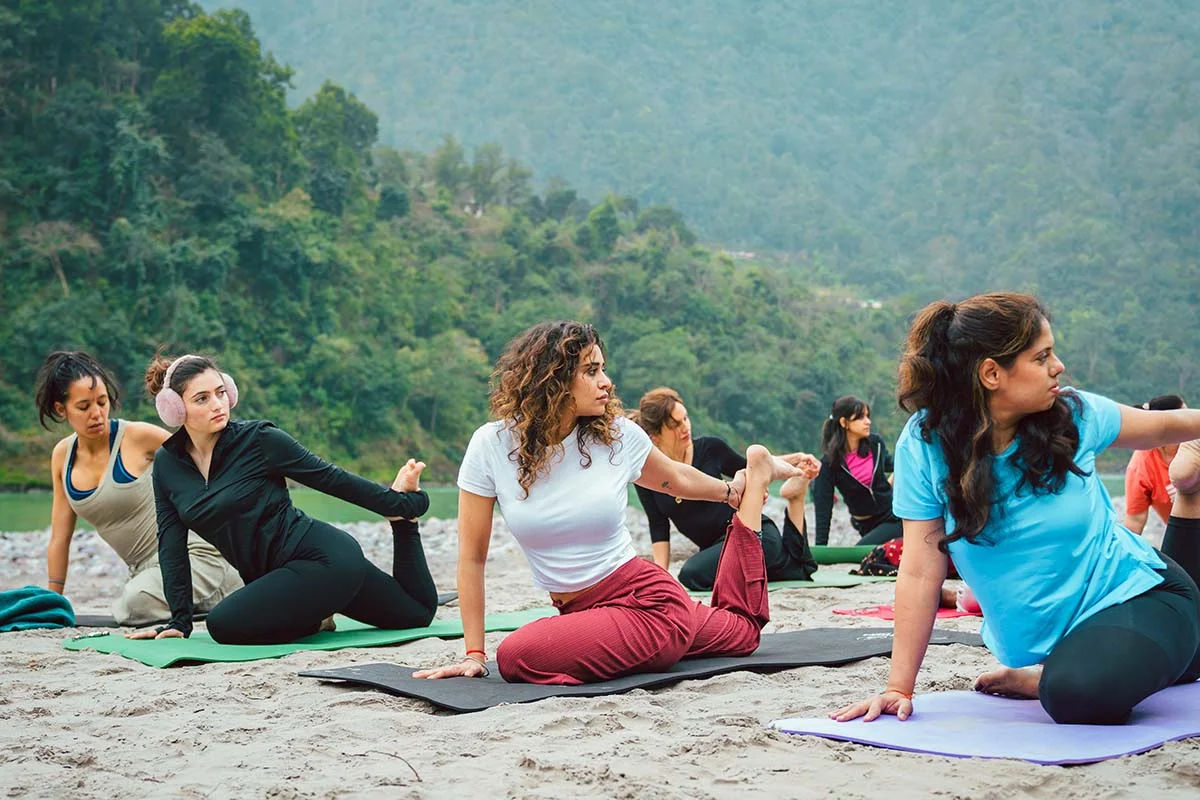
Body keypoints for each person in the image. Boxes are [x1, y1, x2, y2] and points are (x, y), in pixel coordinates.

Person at [832, 293, 1200, 726]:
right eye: (1041, 357)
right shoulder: (926, 443)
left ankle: (1190, 496)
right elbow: (919, 569)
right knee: (1087, 679)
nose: (1058, 366)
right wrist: (899, 688)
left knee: (1075, 693)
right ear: (991, 373)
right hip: (1080, 639)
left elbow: (1165, 425)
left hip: (1142, 596)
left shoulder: (1074, 416)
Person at [413, 321, 819, 684]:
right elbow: (472, 558)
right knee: (740, 633)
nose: (606, 382)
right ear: (553, 379)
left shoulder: (616, 436)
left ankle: (757, 474)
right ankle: (760, 471)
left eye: (603, 369)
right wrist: (474, 653)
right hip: (590, 613)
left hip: (650, 600)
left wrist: (733, 492)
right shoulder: (491, 446)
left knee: (518, 655)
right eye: (591, 371)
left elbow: (676, 478)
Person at [127, 352, 437, 644]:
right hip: (280, 580)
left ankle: (402, 525)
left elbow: (331, 479)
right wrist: (179, 621)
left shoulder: (259, 440)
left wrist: (402, 505)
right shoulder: (167, 465)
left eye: (221, 393)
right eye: (202, 399)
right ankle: (317, 613)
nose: (217, 405)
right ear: (175, 409)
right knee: (227, 623)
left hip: (325, 559)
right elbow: (171, 544)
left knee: (223, 623)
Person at [34, 351, 240, 626]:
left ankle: (227, 585)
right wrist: (52, 601)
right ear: (62, 410)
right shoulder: (63, 456)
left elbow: (210, 467)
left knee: (132, 605)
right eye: (84, 407)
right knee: (135, 600)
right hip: (145, 570)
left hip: (195, 553)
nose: (97, 414)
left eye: (102, 402)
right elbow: (60, 538)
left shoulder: (139, 437)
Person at [631, 387, 816, 590]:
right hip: (716, 548)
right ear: (655, 436)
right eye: (675, 424)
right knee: (698, 574)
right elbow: (658, 525)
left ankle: (795, 507)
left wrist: (795, 460)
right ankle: (796, 503)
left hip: (752, 533)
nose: (685, 427)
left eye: (685, 418)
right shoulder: (648, 473)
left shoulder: (709, 448)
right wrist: (662, 577)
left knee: (692, 573)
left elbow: (755, 467)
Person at [811, 396, 900, 546]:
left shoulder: (875, 444)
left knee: (861, 552)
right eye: (861, 417)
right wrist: (821, 549)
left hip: (892, 517)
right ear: (844, 422)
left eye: (867, 416)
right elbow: (823, 509)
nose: (868, 421)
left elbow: (894, 464)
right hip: (865, 525)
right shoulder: (829, 464)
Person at [1124, 394, 1187, 534]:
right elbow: (1135, 522)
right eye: (1186, 417)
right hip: (1183, 535)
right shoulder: (1141, 465)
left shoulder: (1195, 445)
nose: (1192, 423)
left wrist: (1190, 495)